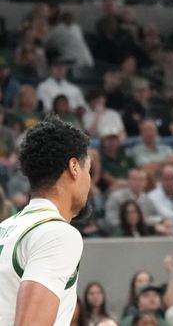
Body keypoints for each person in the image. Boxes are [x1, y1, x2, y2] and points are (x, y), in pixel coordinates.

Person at [0, 117, 91, 325]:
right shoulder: (57, 234)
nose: (89, 182)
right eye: (89, 170)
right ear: (74, 167)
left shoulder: (5, 227)